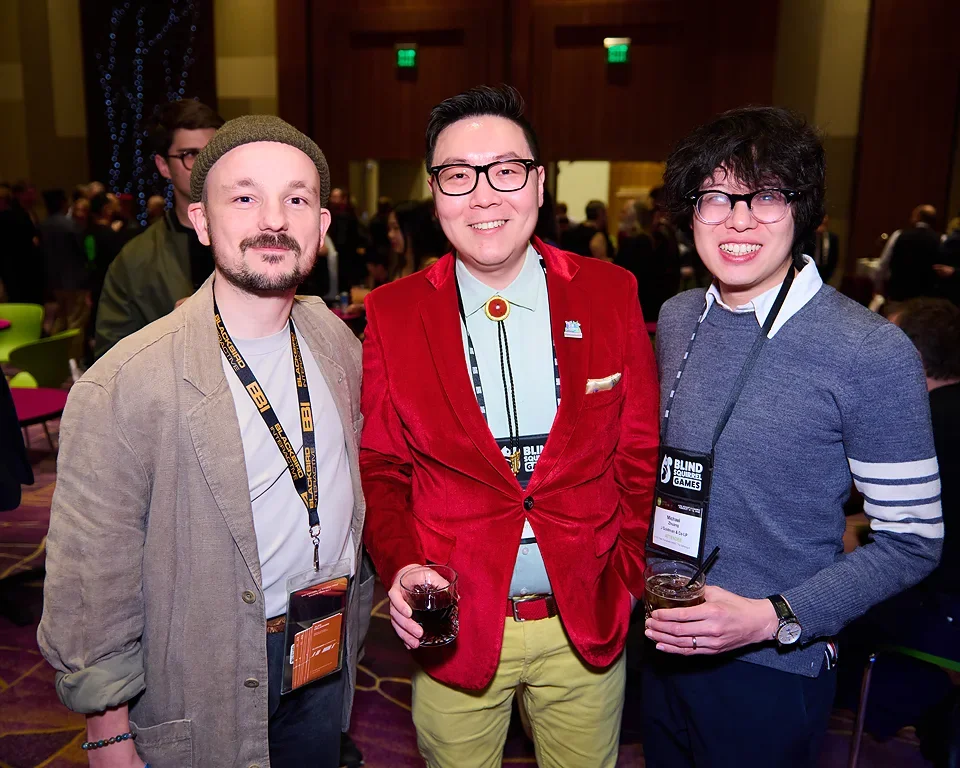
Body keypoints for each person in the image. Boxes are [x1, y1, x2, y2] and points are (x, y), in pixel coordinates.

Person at [38, 115, 372, 768]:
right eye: (244, 197)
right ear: (200, 219)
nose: (273, 219)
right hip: (206, 668)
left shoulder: (338, 345)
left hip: (323, 647)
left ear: (322, 227)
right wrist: (108, 732)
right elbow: (90, 578)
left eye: (296, 199)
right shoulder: (128, 382)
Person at [361, 85, 660, 768]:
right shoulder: (393, 311)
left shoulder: (611, 292)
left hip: (586, 617)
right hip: (457, 626)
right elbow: (382, 467)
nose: (484, 195)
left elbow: (639, 454)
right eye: (458, 175)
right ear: (434, 191)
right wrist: (403, 564)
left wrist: (627, 579)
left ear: (539, 181)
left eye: (506, 170)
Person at [643, 106, 943, 768]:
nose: (739, 219)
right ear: (688, 212)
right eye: (715, 197)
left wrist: (770, 616)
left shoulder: (869, 350)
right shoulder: (677, 315)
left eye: (766, 195)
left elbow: (914, 542)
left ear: (802, 210)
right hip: (664, 642)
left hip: (771, 666)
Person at [94, 99, 224, 359]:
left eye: (213, 153)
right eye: (190, 154)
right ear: (164, 166)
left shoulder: (260, 237)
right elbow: (111, 360)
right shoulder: (135, 259)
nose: (204, 165)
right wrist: (169, 336)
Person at [876, 204, 940, 301]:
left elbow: (883, 264)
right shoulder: (940, 239)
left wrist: (878, 287)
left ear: (917, 217)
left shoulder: (899, 235)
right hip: (925, 296)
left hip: (898, 292)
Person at [809, 213, 839, 283]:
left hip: (825, 274)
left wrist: (828, 275)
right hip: (810, 271)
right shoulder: (808, 238)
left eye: (824, 224)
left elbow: (834, 259)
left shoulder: (832, 238)